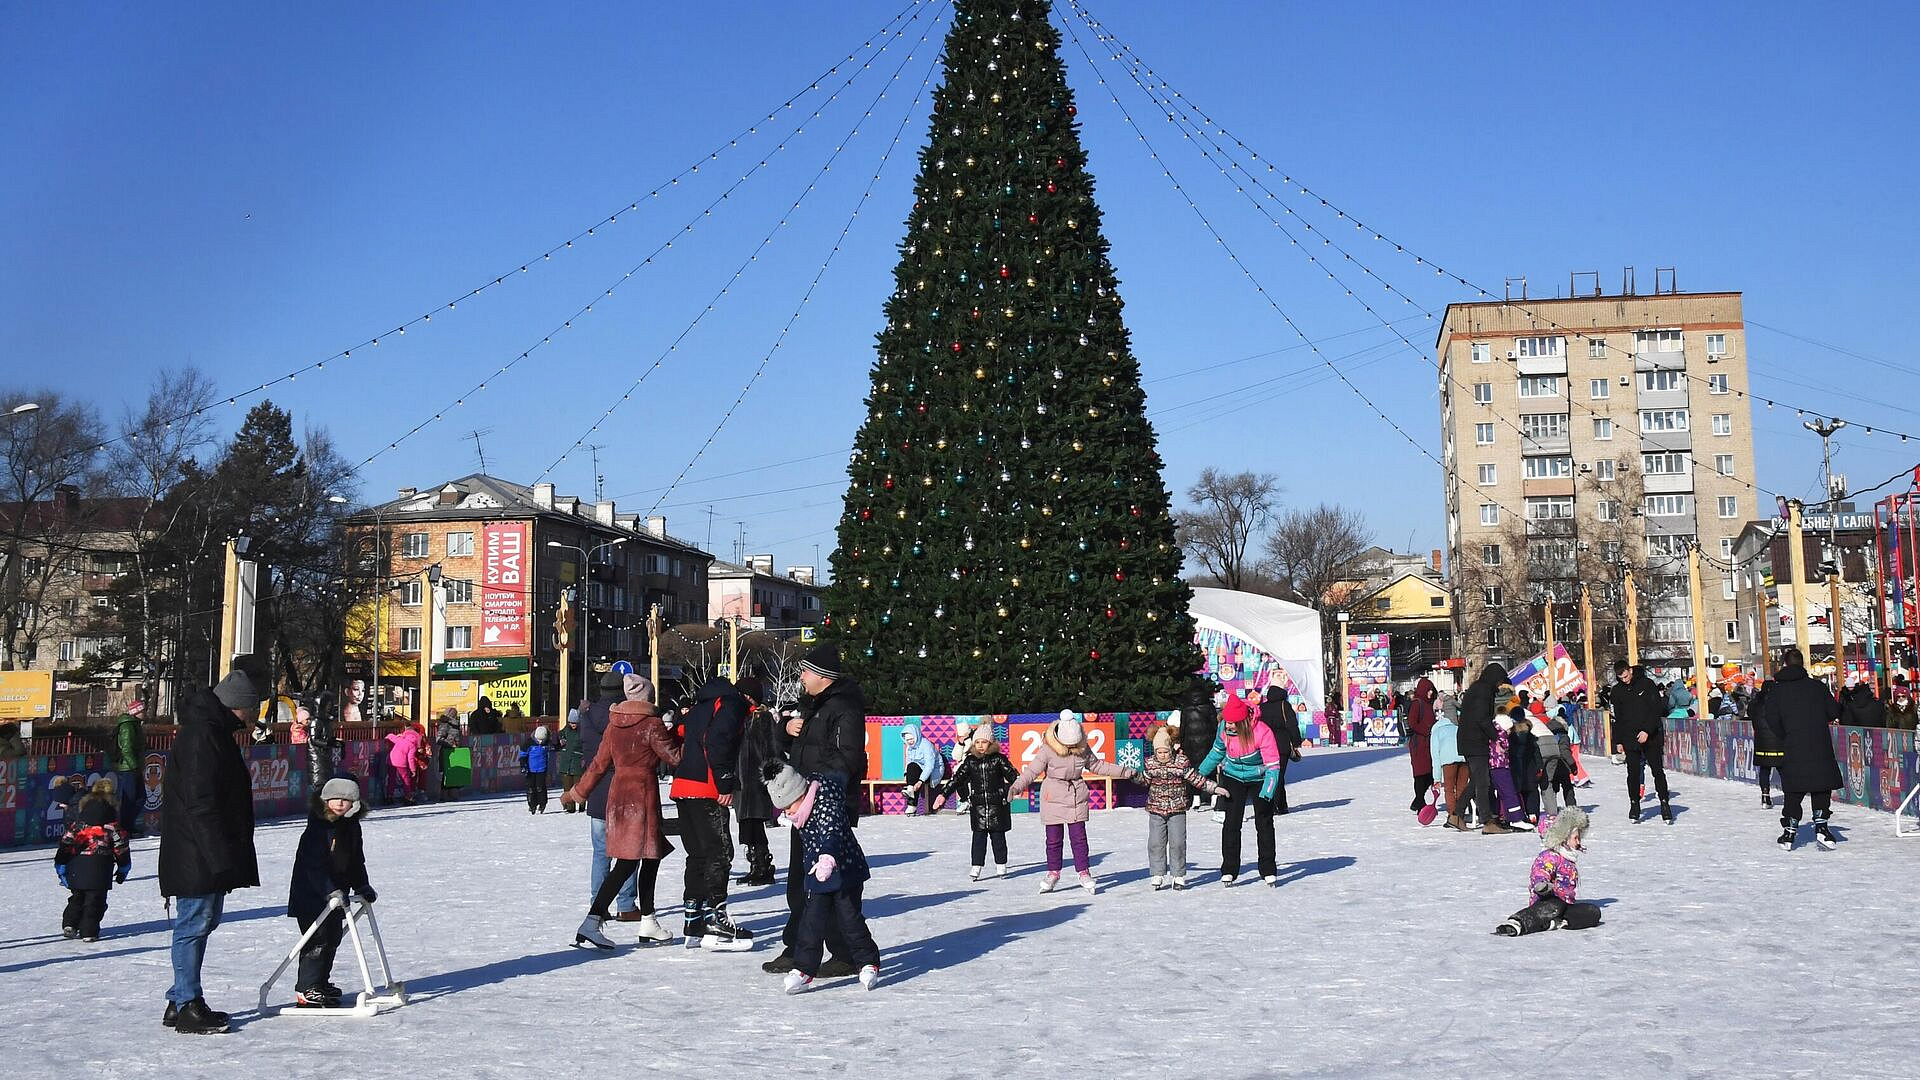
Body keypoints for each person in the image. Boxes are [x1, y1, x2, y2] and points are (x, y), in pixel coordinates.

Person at [158, 669, 263, 1035]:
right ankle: (188, 1004)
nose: (256, 716)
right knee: (194, 923)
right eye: (255, 708)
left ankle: (179, 998)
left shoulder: (211, 730)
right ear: (240, 707)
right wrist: (218, 855)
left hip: (201, 848)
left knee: (202, 921)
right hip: (196, 850)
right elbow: (200, 801)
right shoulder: (204, 734)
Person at [764, 645, 868, 977]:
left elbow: (848, 758)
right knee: (800, 880)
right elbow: (796, 752)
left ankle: (845, 953)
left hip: (826, 808)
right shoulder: (816, 708)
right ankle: (798, 948)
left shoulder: (843, 709)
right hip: (804, 807)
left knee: (828, 879)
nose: (801, 678)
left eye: (805, 672)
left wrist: (817, 790)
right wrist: (785, 730)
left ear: (822, 676)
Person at [563, 675, 683, 947]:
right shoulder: (652, 725)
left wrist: (576, 793)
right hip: (641, 796)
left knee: (648, 856)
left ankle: (646, 919)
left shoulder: (613, 725)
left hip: (618, 797)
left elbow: (597, 765)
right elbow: (675, 757)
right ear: (648, 697)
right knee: (631, 862)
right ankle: (593, 921)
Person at [763, 761, 881, 994]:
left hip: (845, 872)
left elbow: (832, 833)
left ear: (799, 794)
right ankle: (804, 969)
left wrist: (827, 857)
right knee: (811, 921)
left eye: (788, 806)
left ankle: (867, 962)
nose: (787, 813)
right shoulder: (803, 810)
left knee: (849, 919)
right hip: (819, 874)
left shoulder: (826, 804)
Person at [1010, 711, 1137, 893]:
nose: (1071, 747)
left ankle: (1083, 871)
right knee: (1053, 839)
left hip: (1076, 795)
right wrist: (1016, 787)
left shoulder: (1083, 749)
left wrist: (1125, 771)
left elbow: (1098, 765)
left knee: (1079, 838)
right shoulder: (1047, 750)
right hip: (1053, 795)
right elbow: (1031, 771)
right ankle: (1053, 872)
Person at [672, 675, 752, 950]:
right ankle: (716, 920)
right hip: (707, 787)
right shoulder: (732, 704)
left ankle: (693, 921)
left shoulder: (698, 708)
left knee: (697, 855)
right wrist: (725, 781)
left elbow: (681, 734)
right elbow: (718, 741)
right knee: (719, 853)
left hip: (683, 785)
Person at [285, 777, 376, 1008]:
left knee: (332, 938)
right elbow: (313, 864)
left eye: (345, 800)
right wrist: (329, 890)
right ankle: (306, 989)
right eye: (335, 799)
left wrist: (362, 885)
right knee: (317, 940)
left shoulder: (352, 826)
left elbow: (356, 861)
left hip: (338, 896)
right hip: (311, 894)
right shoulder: (319, 825)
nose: (339, 804)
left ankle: (320, 983)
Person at [1757, 648, 1844, 851]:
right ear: (1802, 663)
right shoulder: (1817, 687)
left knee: (1794, 790)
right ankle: (1822, 828)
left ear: (1785, 664)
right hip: (1818, 743)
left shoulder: (1778, 691)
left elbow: (1770, 717)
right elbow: (1833, 711)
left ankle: (1789, 833)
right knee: (1820, 786)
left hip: (1792, 745)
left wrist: (1785, 734)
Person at [1195, 695, 1283, 885]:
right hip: (1233, 777)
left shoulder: (1262, 731)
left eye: (1233, 723)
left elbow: (1273, 766)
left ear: (1243, 721)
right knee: (1231, 823)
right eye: (1227, 722)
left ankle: (1268, 869)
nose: (1229, 726)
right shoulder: (1223, 729)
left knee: (1264, 822)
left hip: (1260, 778)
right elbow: (1217, 752)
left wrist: (1267, 791)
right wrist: (1199, 773)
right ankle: (1229, 869)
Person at [580, 671, 640, 923]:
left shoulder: (586, 715)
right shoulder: (624, 717)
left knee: (600, 853)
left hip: (596, 792)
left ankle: (598, 904)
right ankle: (626, 905)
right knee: (628, 851)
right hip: (624, 791)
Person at [1493, 807, 1600, 936]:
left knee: (1592, 911)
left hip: (1565, 903)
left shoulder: (1568, 858)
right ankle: (1518, 922)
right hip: (1546, 901)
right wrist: (1542, 885)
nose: (1578, 842)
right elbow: (1540, 872)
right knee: (1554, 906)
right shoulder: (1550, 856)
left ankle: (1557, 922)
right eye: (1576, 838)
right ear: (1563, 838)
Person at [1140, 721, 1219, 889]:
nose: (1162, 755)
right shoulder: (1150, 764)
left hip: (1177, 809)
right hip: (1156, 809)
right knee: (1155, 842)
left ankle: (1178, 874)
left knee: (1177, 843)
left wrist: (1215, 788)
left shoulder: (1181, 763)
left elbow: (1196, 779)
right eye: (1159, 752)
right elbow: (1144, 780)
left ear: (1171, 749)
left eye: (1165, 751)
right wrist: (1131, 775)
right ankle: (1157, 873)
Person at [939, 723, 1019, 880]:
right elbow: (957, 779)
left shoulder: (999, 759)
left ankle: (1001, 865)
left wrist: (1017, 787)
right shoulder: (970, 761)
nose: (980, 746)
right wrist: (944, 794)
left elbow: (1013, 775)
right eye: (977, 742)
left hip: (997, 806)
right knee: (978, 840)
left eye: (984, 742)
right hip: (979, 807)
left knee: (998, 839)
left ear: (990, 743)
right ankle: (976, 866)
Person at [55, 781, 131, 941]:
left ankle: (70, 923)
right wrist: (124, 867)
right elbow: (121, 847)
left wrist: (61, 862)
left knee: (77, 896)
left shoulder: (79, 823)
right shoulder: (112, 827)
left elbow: (66, 842)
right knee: (95, 901)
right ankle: (88, 931)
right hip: (100, 867)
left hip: (77, 864)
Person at [1452, 662, 1514, 834]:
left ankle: (1456, 815)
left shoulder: (1478, 689)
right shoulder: (1483, 691)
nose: (1500, 685)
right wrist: (1496, 737)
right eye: (1500, 681)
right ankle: (1488, 821)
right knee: (1483, 782)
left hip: (1470, 740)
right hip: (1475, 741)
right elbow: (1481, 718)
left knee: (1477, 781)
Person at [1609, 661, 1672, 824]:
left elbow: (1656, 710)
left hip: (1650, 737)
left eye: (1626, 676)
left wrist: (1647, 731)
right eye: (1620, 678)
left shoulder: (1647, 684)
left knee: (1657, 771)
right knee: (1633, 773)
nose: (1624, 680)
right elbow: (1616, 718)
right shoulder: (1616, 691)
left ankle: (1664, 803)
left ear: (1630, 670)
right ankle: (1634, 804)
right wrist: (1618, 741)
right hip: (1630, 738)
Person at [732, 676, 780, 887]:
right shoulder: (737, 718)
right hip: (741, 782)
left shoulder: (763, 718)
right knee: (746, 826)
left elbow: (772, 749)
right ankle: (756, 865)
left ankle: (763, 865)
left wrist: (770, 777)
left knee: (756, 824)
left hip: (757, 781)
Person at [1258, 685, 1303, 813]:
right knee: (1279, 775)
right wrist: (1296, 742)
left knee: (1270, 774)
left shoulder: (1263, 707)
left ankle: (1272, 804)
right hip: (1282, 744)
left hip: (1265, 745)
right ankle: (1279, 805)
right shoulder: (1284, 706)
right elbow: (1292, 725)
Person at [110, 700, 147, 836]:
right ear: (136, 712)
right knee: (129, 799)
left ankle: (128, 825)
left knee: (140, 797)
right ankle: (125, 827)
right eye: (142, 711)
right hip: (128, 768)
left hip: (133, 767)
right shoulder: (128, 726)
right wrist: (134, 767)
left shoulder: (135, 725)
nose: (145, 713)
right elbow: (127, 749)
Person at [1431, 693, 1465, 828]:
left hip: (1448, 761)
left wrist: (1436, 779)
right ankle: (1461, 814)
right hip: (1463, 759)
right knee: (1461, 788)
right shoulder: (1456, 728)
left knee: (1449, 789)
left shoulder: (1436, 732)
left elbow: (1435, 756)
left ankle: (1452, 816)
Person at [1405, 676, 1438, 811]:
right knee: (1420, 774)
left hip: (1428, 744)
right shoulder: (1417, 703)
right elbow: (1413, 722)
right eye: (1428, 690)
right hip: (1419, 745)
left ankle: (1418, 800)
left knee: (1429, 774)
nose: (1430, 693)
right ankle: (1419, 801)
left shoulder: (1428, 704)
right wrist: (1426, 730)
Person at [1748, 677, 1782, 808]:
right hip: (1778, 740)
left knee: (1764, 769)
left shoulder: (1756, 702)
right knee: (1783, 769)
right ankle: (1790, 795)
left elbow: (1750, 714)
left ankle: (1765, 796)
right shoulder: (1778, 702)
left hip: (1762, 741)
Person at [899, 726, 945, 815]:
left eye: (912, 739)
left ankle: (912, 803)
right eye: (907, 740)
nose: (910, 742)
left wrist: (920, 781)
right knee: (912, 769)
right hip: (918, 771)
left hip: (933, 771)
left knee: (914, 779)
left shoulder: (926, 745)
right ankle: (910, 791)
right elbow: (909, 762)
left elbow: (929, 765)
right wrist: (906, 775)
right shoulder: (909, 748)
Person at [383, 722, 425, 805]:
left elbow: (391, 736)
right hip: (401, 763)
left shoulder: (400, 739)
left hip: (391, 760)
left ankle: (389, 796)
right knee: (406, 780)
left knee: (391, 779)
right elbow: (410, 759)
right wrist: (413, 770)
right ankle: (408, 797)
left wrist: (387, 736)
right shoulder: (412, 746)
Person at [557, 705, 586, 812]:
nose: (573, 725)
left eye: (575, 723)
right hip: (566, 762)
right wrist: (561, 739)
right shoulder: (566, 730)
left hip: (578, 762)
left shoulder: (583, 731)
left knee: (578, 785)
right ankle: (570, 807)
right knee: (567, 786)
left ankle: (581, 804)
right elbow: (559, 735)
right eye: (571, 723)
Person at [520, 725, 553, 814]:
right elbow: (522, 755)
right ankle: (532, 805)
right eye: (538, 740)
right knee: (531, 788)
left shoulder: (547, 743)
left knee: (540, 787)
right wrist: (523, 766)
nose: (540, 742)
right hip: (530, 770)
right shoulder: (528, 743)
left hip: (542, 769)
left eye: (542, 740)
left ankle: (542, 804)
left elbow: (555, 747)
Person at [434, 709, 465, 801]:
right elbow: (439, 739)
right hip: (447, 751)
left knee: (454, 772)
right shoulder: (445, 725)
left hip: (455, 751)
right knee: (446, 773)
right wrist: (451, 744)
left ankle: (452, 794)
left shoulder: (456, 725)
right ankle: (443, 794)